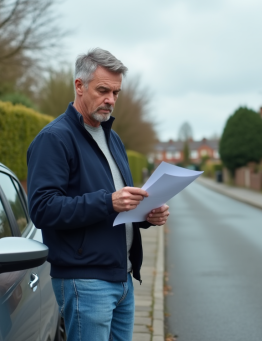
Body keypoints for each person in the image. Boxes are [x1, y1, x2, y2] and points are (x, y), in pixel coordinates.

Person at [27, 48, 169, 341]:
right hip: (85, 281)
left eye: (116, 92)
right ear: (79, 86)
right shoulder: (54, 139)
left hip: (122, 278)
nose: (111, 100)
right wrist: (108, 202)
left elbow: (120, 205)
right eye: (103, 90)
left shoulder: (112, 137)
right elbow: (42, 209)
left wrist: (147, 214)